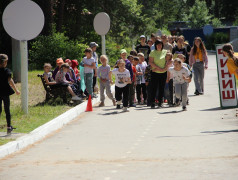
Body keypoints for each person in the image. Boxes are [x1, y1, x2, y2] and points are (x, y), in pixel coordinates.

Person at [0, 54, 20, 134]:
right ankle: (9, 126)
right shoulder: (7, 71)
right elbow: (10, 81)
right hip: (5, 92)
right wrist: (16, 90)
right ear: (4, 62)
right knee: (7, 110)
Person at [149, 40, 168, 108]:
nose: (159, 46)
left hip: (163, 72)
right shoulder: (153, 52)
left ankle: (160, 102)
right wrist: (158, 68)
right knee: (154, 87)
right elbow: (151, 62)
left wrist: (164, 68)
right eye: (158, 45)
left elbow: (169, 61)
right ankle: (152, 102)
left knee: (161, 88)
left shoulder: (165, 52)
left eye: (160, 44)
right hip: (155, 72)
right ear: (156, 45)